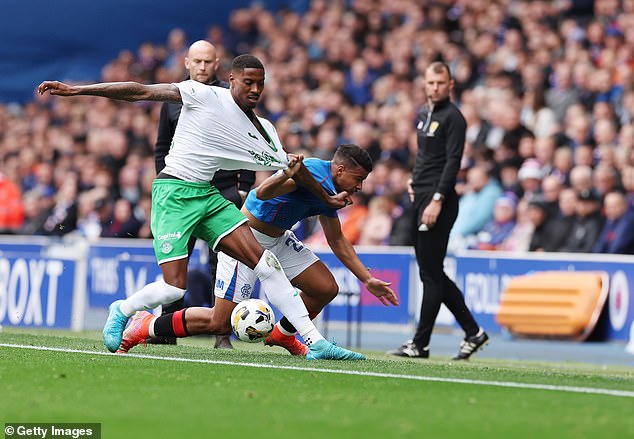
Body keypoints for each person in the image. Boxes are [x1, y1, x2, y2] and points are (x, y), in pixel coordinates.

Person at [38, 54, 364, 361]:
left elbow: (295, 170)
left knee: (266, 264)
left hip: (208, 195)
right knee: (172, 287)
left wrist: (328, 199)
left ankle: (314, 341)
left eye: (260, 84)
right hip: (174, 192)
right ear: (231, 78)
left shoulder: (264, 130)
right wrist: (78, 90)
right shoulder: (203, 94)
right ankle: (124, 310)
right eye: (248, 82)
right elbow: (140, 92)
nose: (254, 89)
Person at [118, 144, 399, 355]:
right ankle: (147, 325)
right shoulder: (311, 170)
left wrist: (367, 279)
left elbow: (337, 240)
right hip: (245, 239)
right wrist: (284, 176)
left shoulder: (333, 191)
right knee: (219, 322)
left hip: (278, 240)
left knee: (325, 288)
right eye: (358, 178)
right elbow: (262, 192)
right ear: (340, 170)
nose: (360, 186)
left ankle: (283, 335)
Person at [151, 40, 256, 350]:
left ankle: (222, 334)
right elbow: (162, 147)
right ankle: (164, 330)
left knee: (222, 264)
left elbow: (251, 140)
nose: (201, 67)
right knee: (176, 266)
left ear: (217, 63)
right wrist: (164, 180)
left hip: (222, 190)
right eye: (196, 61)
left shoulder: (230, 95)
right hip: (181, 191)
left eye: (207, 62)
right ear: (186, 63)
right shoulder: (173, 97)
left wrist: (244, 186)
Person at [388, 62, 489, 360]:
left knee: (431, 275)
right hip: (420, 193)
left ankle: (421, 343)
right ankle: (473, 332)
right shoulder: (424, 113)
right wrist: (413, 179)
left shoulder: (453, 118)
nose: (435, 88)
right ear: (424, 84)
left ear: (451, 84)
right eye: (430, 83)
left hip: (438, 201)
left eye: (440, 83)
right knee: (431, 272)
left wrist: (436, 198)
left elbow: (452, 162)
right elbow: (426, 158)